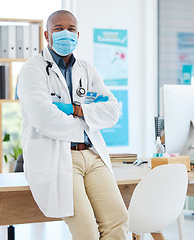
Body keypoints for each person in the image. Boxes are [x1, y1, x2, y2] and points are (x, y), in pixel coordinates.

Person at [17, 10, 128, 240]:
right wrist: (88, 120)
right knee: (86, 229)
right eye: (58, 29)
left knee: (117, 220)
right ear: (47, 35)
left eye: (71, 29)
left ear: (78, 35)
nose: (65, 33)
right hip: (58, 157)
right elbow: (44, 119)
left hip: (92, 154)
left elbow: (113, 110)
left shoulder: (87, 69)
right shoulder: (33, 69)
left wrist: (76, 110)